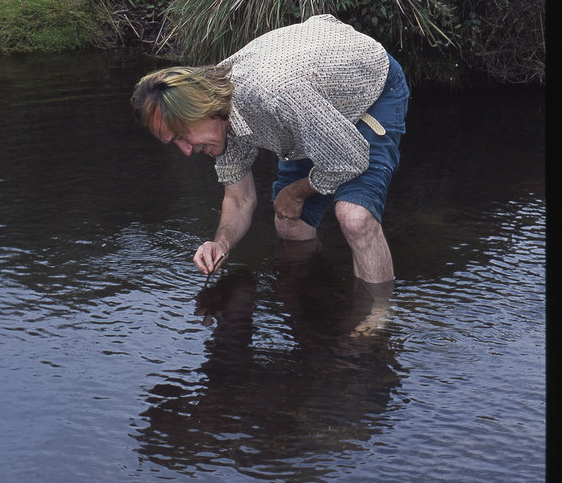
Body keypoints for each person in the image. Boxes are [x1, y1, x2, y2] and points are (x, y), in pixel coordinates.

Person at [131, 14, 409, 284]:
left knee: (355, 219)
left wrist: (297, 191)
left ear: (201, 108)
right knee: (289, 222)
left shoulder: (274, 95)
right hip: (308, 106)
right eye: (174, 142)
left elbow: (350, 160)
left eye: (182, 136)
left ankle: (379, 312)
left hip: (368, 88)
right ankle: (312, 295)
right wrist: (220, 243)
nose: (186, 151)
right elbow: (239, 198)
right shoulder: (220, 119)